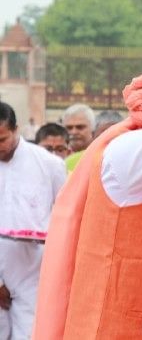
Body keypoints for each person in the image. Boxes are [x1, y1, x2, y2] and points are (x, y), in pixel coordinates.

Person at [0, 102, 66, 339]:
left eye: (2, 139)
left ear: (16, 130)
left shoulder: (50, 165)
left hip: (34, 272)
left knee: (31, 334)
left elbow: (65, 216)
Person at [62, 104, 95, 172]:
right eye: (69, 128)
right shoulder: (56, 156)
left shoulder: (100, 156)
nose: (74, 132)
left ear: (92, 129)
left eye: (80, 127)